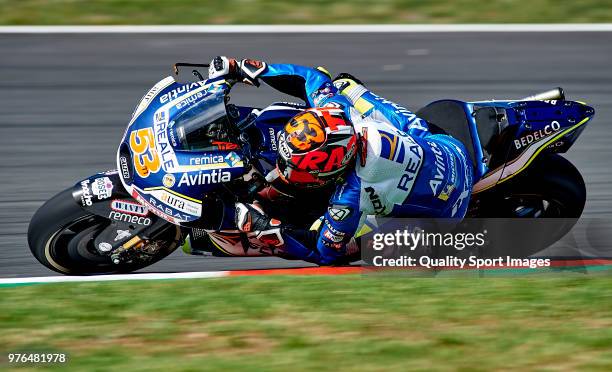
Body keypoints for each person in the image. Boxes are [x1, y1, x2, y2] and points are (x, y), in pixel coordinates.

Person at [208, 56, 474, 265]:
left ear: (331, 171)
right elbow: (309, 78)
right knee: (343, 84)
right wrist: (250, 69)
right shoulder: (337, 112)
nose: (283, 170)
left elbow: (324, 253)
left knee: (349, 245)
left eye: (297, 168)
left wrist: (265, 227)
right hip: (447, 146)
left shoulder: (349, 196)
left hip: (446, 211)